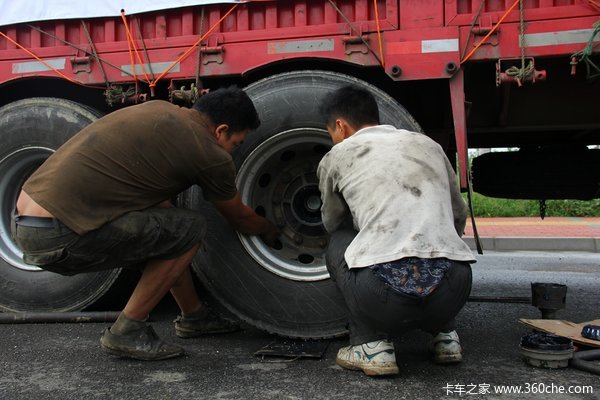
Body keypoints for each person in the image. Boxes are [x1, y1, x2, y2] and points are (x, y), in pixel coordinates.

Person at [11, 86, 278, 361]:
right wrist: (270, 229)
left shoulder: (158, 110)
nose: (233, 151)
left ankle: (195, 317)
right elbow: (240, 218)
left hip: (24, 222)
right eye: (236, 143)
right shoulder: (208, 152)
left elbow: (155, 203)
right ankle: (126, 331)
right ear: (221, 130)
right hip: (59, 234)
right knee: (190, 230)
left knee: (172, 230)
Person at [317, 85, 475, 376]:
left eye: (331, 133)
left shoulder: (338, 155)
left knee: (338, 240)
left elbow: (332, 220)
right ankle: (446, 337)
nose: (334, 139)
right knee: (439, 245)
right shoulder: (430, 146)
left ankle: (371, 345)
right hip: (455, 288)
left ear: (340, 126)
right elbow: (457, 215)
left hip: (382, 298)